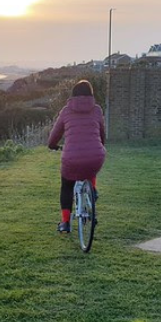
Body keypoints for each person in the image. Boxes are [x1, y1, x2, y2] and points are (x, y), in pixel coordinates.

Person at [47, 80, 106, 233]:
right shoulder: (97, 110)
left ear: (73, 95)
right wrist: (100, 146)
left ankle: (65, 223)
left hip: (71, 158)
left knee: (66, 185)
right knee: (90, 169)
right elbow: (102, 134)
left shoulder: (66, 111)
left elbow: (54, 136)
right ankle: (92, 191)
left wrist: (52, 145)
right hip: (96, 155)